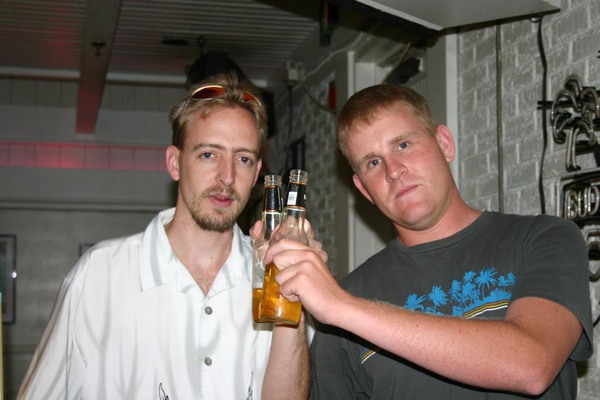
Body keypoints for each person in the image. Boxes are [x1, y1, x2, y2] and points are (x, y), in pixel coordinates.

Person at [263, 84, 594, 399]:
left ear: (444, 144)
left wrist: (341, 306)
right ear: (364, 189)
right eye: (373, 162)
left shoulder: (543, 238)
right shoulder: (346, 302)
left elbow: (532, 364)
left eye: (403, 145)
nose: (393, 170)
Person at [18, 72, 310, 400]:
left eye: (242, 159)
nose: (227, 177)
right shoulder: (100, 275)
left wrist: (292, 293)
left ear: (256, 173)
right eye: (209, 154)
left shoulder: (275, 277)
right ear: (174, 163)